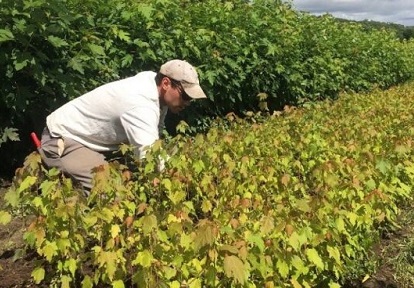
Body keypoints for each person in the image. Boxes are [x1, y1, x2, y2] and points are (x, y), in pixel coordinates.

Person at [38, 59, 207, 191]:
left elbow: (154, 137)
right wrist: (178, 180)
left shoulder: (153, 86)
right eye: (185, 95)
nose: (188, 102)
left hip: (89, 140)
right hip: (64, 137)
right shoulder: (140, 104)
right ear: (165, 84)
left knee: (129, 177)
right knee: (111, 191)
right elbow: (148, 155)